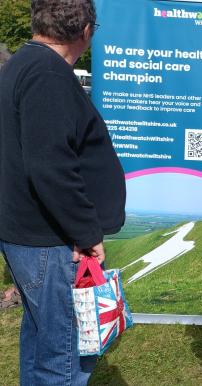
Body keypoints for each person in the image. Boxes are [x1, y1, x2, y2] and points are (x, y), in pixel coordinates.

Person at [0, 1, 126, 384]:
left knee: (43, 340)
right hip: (49, 240)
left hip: (33, 234)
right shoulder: (47, 75)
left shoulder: (24, 65)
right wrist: (86, 233)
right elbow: (50, 166)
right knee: (65, 355)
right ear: (86, 31)